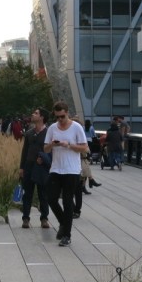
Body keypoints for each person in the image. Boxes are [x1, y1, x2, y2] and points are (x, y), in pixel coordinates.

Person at [44, 102, 88, 247]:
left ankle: (66, 235)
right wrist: (52, 144)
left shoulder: (76, 127)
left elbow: (84, 148)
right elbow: (45, 149)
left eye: (62, 116)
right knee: (51, 198)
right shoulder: (52, 128)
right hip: (56, 168)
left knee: (67, 202)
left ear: (67, 113)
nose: (60, 119)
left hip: (72, 170)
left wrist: (68, 145)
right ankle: (63, 222)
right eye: (57, 117)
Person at [17, 108, 51, 229]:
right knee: (27, 194)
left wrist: (45, 159)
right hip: (29, 166)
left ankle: (44, 218)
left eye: (36, 113)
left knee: (43, 194)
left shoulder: (49, 133)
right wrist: (21, 167)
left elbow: (52, 150)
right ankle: (25, 218)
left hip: (42, 168)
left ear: (42, 117)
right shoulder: (29, 133)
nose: (33, 114)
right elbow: (25, 151)